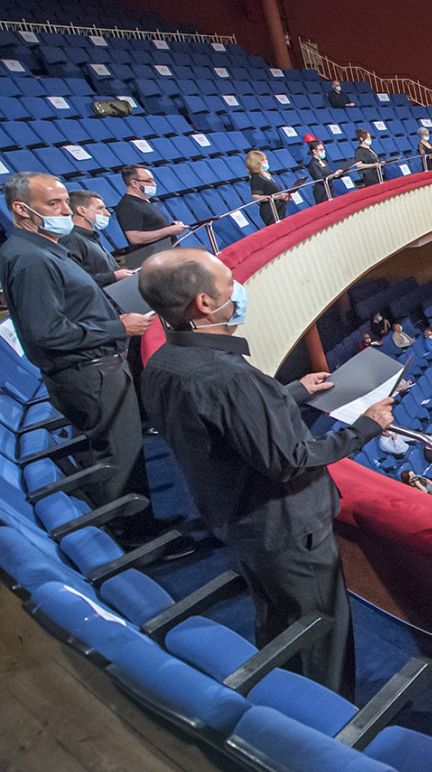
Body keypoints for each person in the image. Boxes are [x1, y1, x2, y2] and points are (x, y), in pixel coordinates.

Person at [139, 247, 392, 697]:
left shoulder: (164, 364)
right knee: (321, 633)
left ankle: (279, 699)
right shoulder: (230, 377)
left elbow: (225, 425)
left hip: (238, 521)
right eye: (227, 282)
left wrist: (289, 392)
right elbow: (288, 459)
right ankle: (327, 727)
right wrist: (365, 428)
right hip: (288, 529)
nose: (238, 290)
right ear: (203, 303)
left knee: (276, 619)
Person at [0, 172, 166, 540]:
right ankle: (139, 538)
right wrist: (117, 328)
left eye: (64, 202)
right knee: (119, 457)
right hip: (87, 373)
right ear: (21, 209)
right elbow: (47, 331)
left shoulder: (46, 248)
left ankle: (140, 527)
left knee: (125, 451)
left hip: (94, 367)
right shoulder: (29, 259)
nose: (64, 210)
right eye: (53, 204)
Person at [61, 190, 133, 287]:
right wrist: (112, 276)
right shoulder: (72, 239)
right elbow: (73, 280)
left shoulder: (91, 237)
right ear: (82, 211)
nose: (107, 213)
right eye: (100, 208)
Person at [114, 165, 185, 253]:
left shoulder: (144, 201)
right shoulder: (128, 206)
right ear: (134, 183)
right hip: (154, 258)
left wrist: (172, 227)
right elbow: (135, 238)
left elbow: (151, 226)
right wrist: (168, 230)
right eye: (149, 181)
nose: (154, 184)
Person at [245, 149, 289, 225]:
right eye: (263, 161)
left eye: (265, 160)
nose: (266, 162)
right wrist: (277, 197)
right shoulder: (256, 178)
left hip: (279, 207)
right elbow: (255, 197)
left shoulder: (266, 174)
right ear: (257, 163)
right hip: (270, 210)